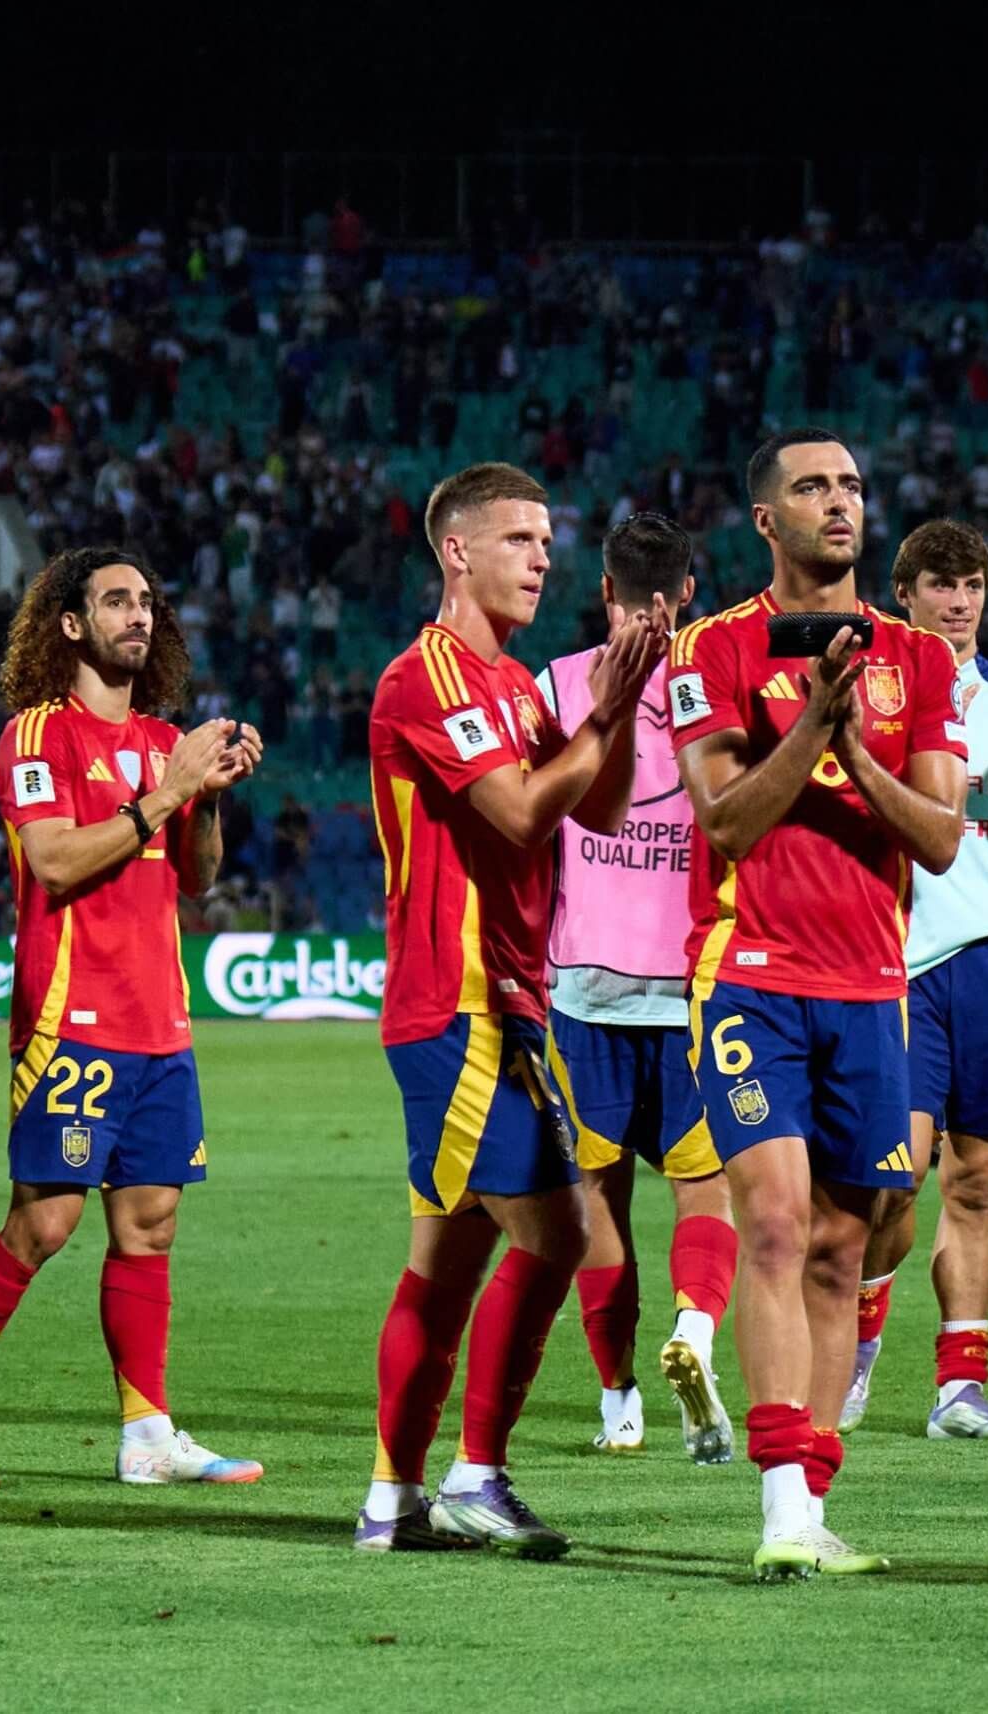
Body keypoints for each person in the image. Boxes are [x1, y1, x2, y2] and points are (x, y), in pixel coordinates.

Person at [672, 431, 972, 1582]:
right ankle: (781, 1507)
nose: (839, 503)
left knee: (849, 1249)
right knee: (778, 1226)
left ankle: (813, 1492)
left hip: (870, 990)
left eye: (849, 485)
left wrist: (850, 738)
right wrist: (812, 724)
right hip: (750, 974)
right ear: (767, 519)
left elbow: (943, 838)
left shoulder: (921, 659)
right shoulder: (714, 648)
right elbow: (728, 822)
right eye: (812, 487)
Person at [357, 463, 664, 1556]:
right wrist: (612, 705)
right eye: (521, 540)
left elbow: (607, 799)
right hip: (459, 1000)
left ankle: (391, 1506)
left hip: (507, 1001)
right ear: (457, 551)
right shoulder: (428, 675)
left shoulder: (520, 687)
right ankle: (476, 1474)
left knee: (443, 1267)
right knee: (562, 1229)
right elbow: (529, 813)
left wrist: (619, 709)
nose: (544, 558)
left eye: (548, 541)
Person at [0, 548, 266, 1493]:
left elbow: (196, 878)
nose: (138, 616)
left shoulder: (165, 738)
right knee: (45, 1223)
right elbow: (59, 862)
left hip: (162, 1022)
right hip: (73, 1017)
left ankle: (147, 1433)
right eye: (116, 601)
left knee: (149, 1229)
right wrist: (163, 794)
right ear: (71, 624)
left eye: (147, 601)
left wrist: (205, 798)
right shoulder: (39, 735)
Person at [847, 517, 988, 1441]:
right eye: (940, 586)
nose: (959, 603)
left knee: (975, 1182)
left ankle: (959, 1389)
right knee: (891, 1183)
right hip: (894, 958)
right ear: (904, 596)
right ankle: (855, 1354)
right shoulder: (868, 687)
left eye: (972, 586)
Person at [539, 511, 739, 1463]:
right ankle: (695, 1333)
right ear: (688, 591)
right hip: (694, 981)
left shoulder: (556, 684)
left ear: (604, 591)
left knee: (597, 1201)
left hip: (584, 987)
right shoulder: (720, 678)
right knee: (708, 1195)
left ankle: (620, 1404)